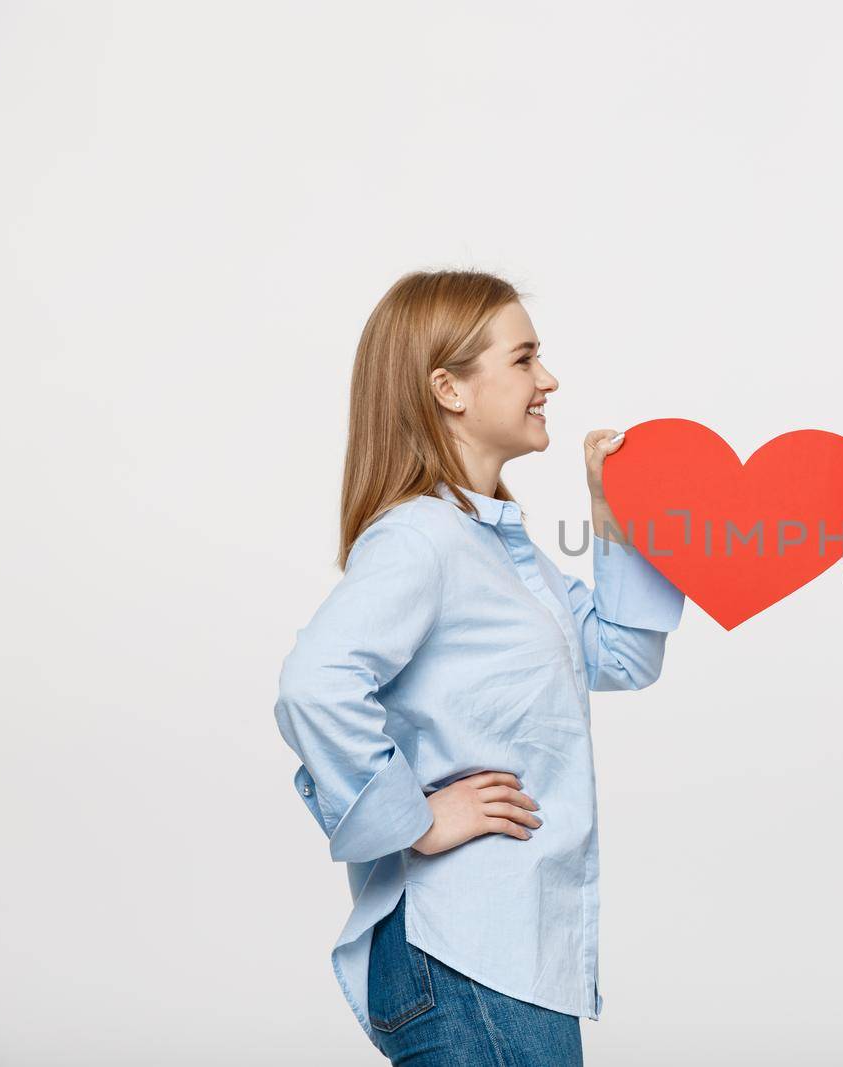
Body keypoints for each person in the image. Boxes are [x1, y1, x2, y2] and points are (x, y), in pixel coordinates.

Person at [274, 270, 683, 1066]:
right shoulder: (420, 538)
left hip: (509, 957)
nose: (549, 380)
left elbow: (623, 655)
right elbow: (314, 684)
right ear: (448, 389)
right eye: (525, 359)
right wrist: (415, 820)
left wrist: (612, 510)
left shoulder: (501, 548)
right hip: (465, 953)